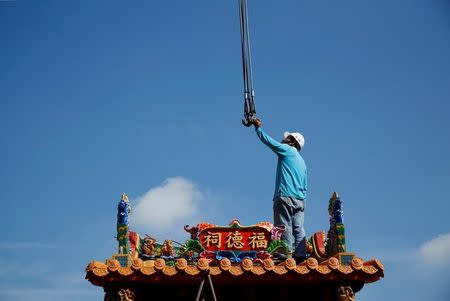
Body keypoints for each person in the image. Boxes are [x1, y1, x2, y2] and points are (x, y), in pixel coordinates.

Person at [251, 117, 307, 262]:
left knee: (284, 226)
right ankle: (300, 254)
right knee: (298, 228)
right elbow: (305, 184)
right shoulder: (302, 162)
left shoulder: (288, 150)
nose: (285, 139)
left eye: (288, 138)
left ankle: (285, 255)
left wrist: (258, 128)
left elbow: (270, 143)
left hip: (285, 196)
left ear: (292, 141)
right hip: (300, 200)